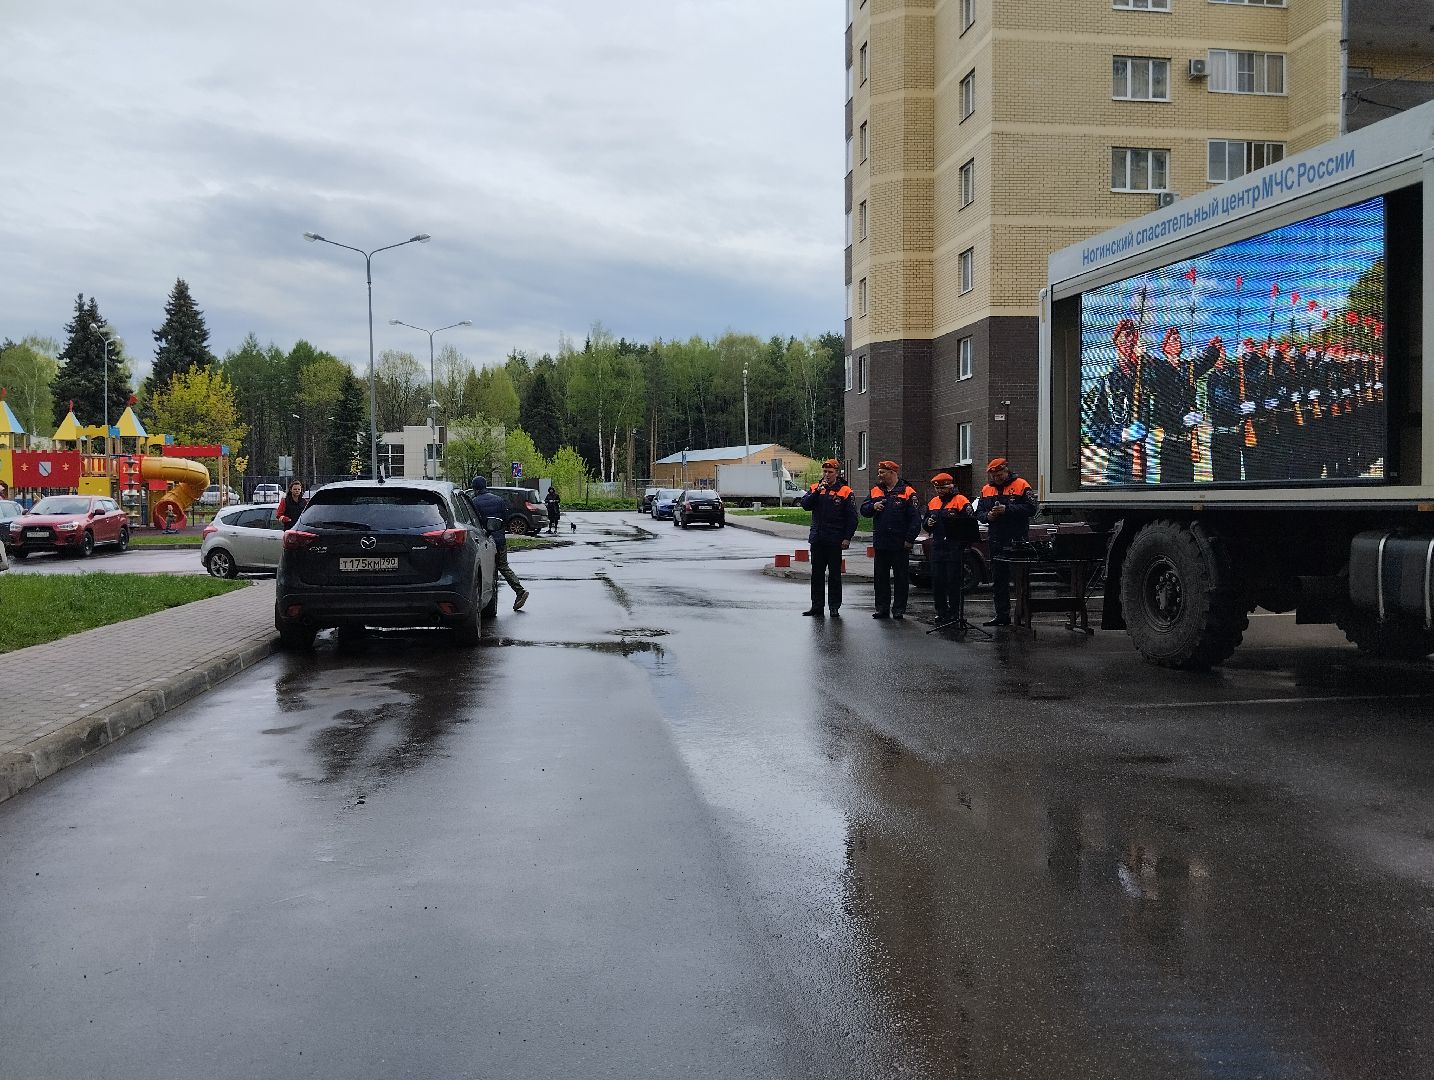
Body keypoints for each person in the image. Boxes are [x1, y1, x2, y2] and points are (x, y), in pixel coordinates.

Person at [976, 457, 1039, 627]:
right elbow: (979, 512)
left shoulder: (1021, 484)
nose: (998, 478)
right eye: (994, 476)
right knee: (998, 580)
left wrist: (1007, 510)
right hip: (996, 539)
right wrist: (988, 516)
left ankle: (1024, 615)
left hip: (1017, 539)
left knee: (1020, 579)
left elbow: (1031, 508)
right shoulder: (986, 489)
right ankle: (1002, 615)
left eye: (1000, 474)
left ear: (1006, 470)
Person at [860, 459, 921, 620]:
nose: (879, 475)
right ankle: (882, 608)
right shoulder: (876, 491)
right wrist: (873, 507)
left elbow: (915, 520)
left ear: (893, 473)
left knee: (901, 578)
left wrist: (909, 539)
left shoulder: (907, 491)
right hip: (881, 543)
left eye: (882, 472)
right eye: (879, 472)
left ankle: (899, 609)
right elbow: (863, 510)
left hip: (900, 543)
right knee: (881, 578)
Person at [798, 458, 858, 617]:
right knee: (816, 574)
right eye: (824, 471)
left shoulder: (845, 490)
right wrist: (817, 490)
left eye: (830, 472)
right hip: (818, 538)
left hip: (835, 539)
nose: (827, 475)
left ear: (836, 473)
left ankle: (834, 607)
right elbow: (805, 505)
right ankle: (817, 606)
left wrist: (847, 537)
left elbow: (852, 518)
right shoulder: (816, 487)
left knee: (834, 575)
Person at [470, 476, 530, 610]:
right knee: (503, 567)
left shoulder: (474, 502)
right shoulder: (499, 500)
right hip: (500, 540)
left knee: (486, 570)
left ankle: (489, 599)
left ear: (475, 488)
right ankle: (519, 591)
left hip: (485, 542)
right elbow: (505, 519)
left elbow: (475, 523)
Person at [924, 472, 974, 627]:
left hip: (954, 547)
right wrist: (928, 523)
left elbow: (970, 524)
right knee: (938, 581)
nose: (940, 491)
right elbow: (925, 523)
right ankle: (941, 612)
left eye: (943, 488)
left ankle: (954, 612)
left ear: (951, 486)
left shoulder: (961, 500)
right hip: (938, 547)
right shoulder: (933, 502)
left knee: (953, 581)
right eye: (938, 488)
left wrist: (963, 545)